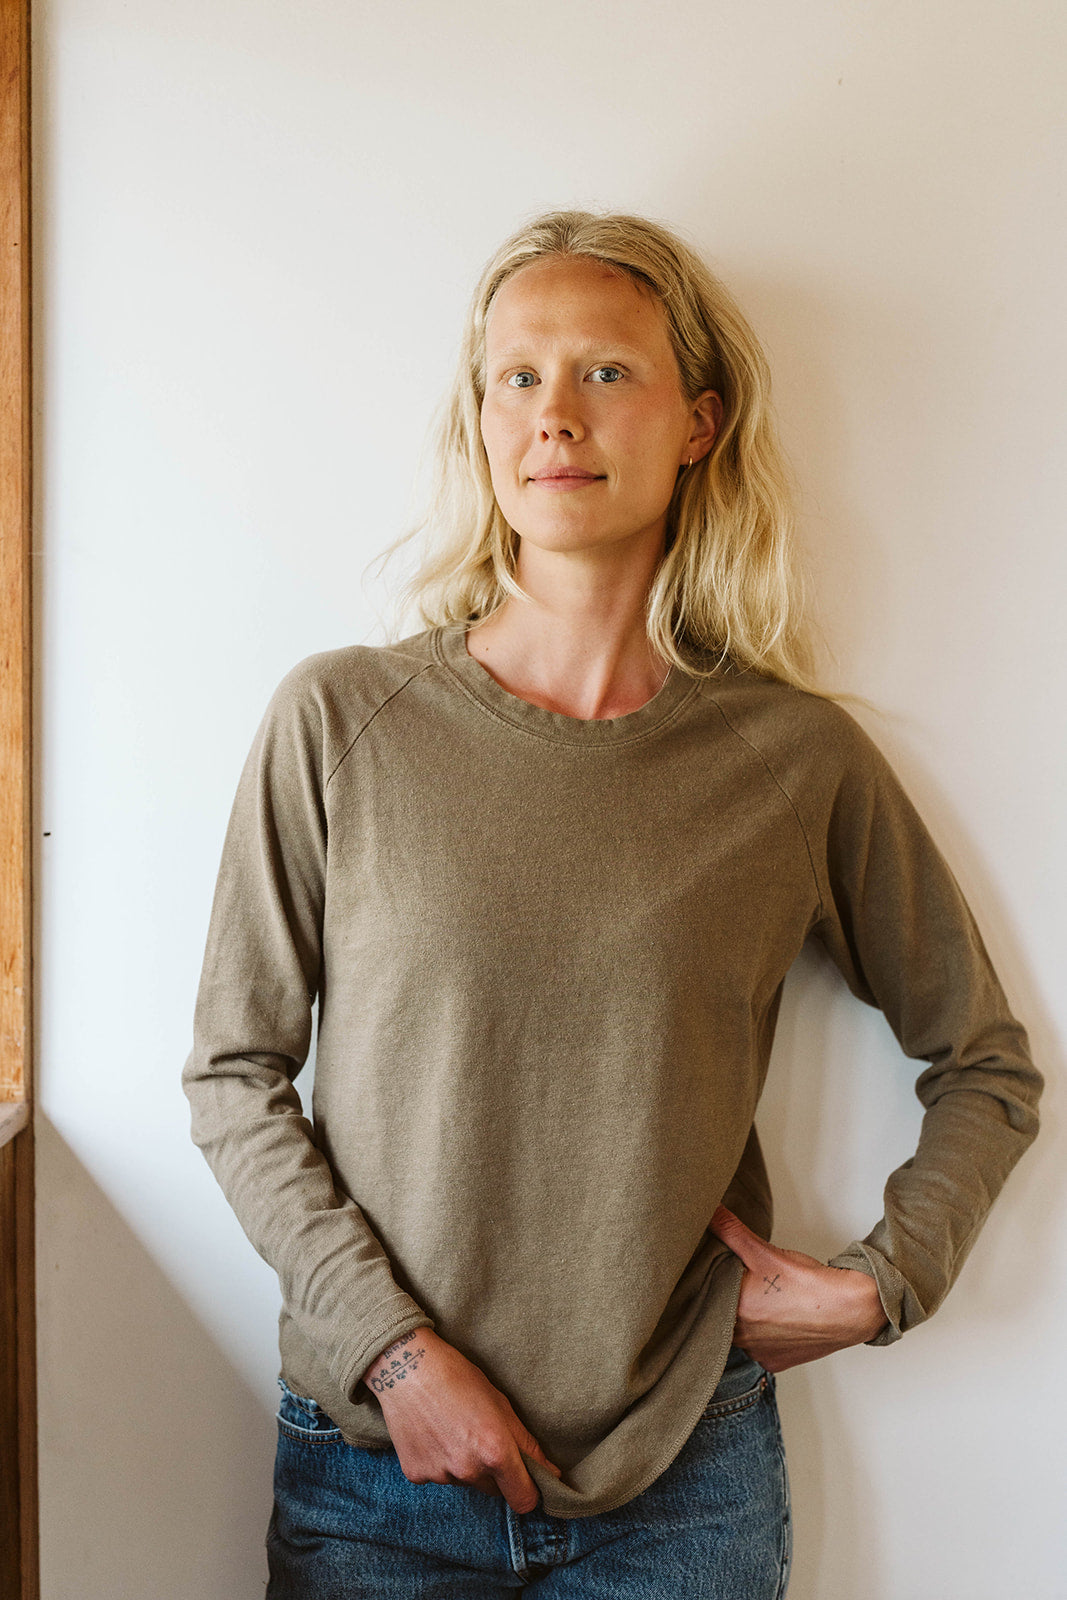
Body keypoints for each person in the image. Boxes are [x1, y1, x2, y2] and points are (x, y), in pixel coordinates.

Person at [182, 209, 1042, 1598]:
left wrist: (881, 1285)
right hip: (374, 1476)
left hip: (683, 1489)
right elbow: (232, 1073)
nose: (554, 416)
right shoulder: (341, 720)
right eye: (516, 376)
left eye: (606, 373)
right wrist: (396, 1354)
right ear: (478, 419)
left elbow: (987, 1062)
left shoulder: (791, 759)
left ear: (698, 422)